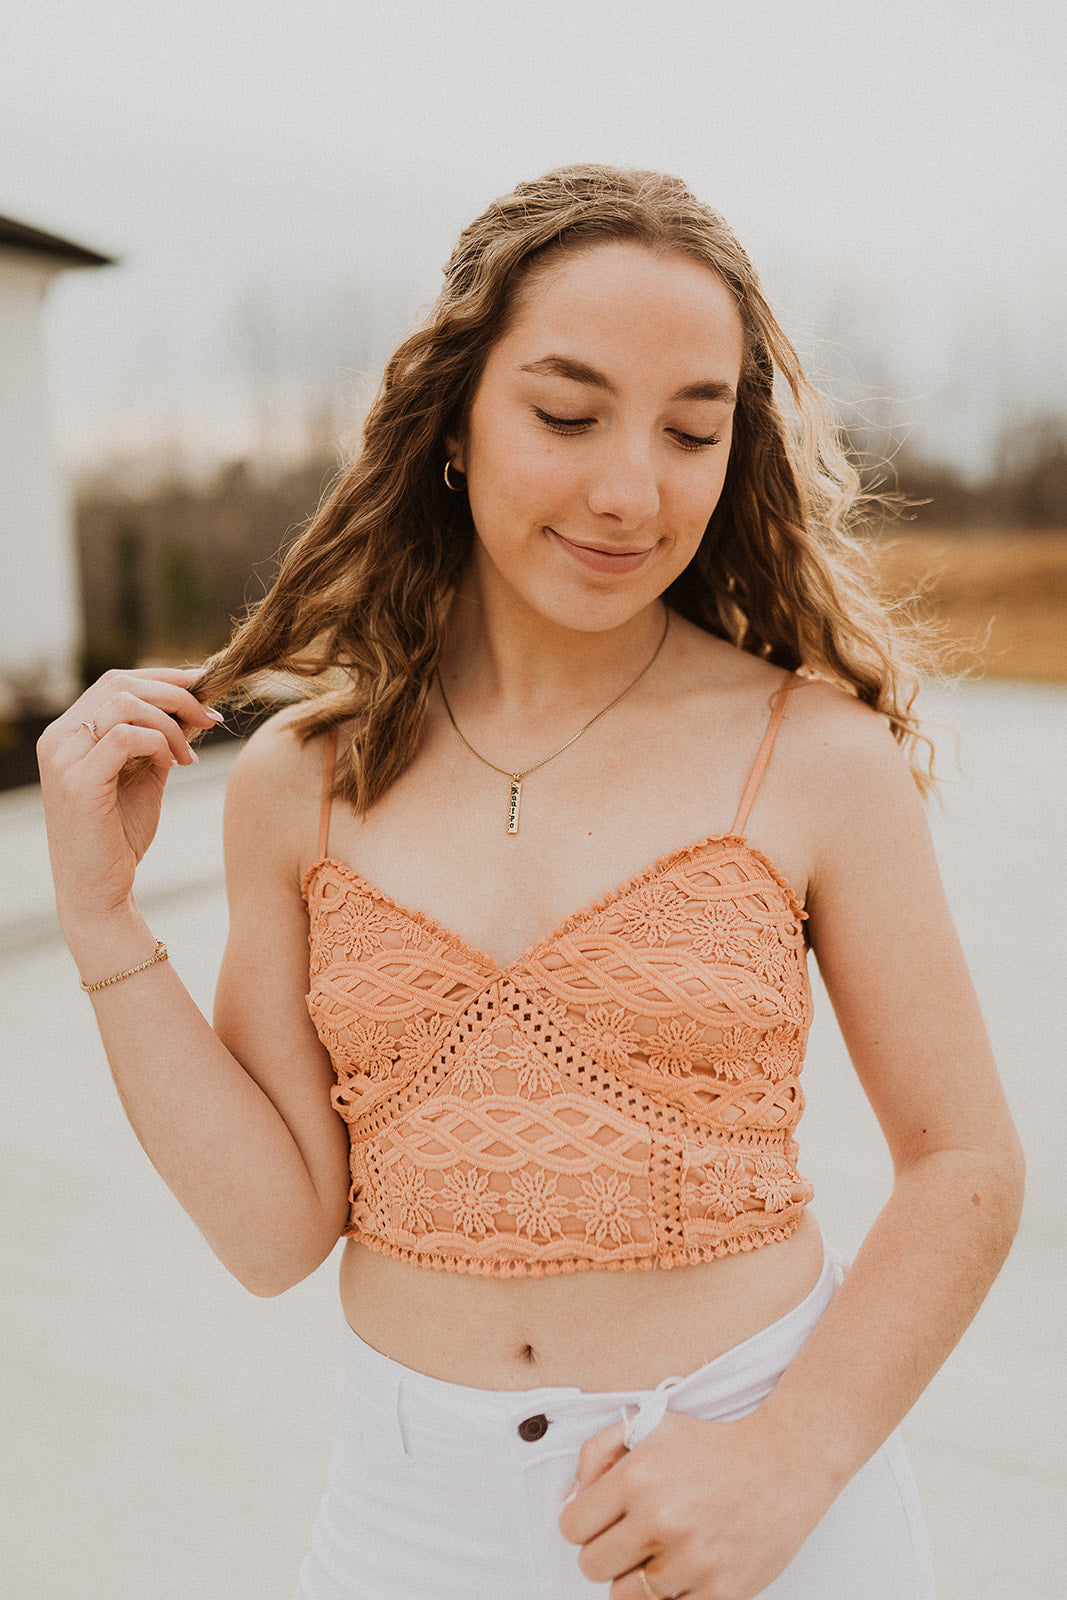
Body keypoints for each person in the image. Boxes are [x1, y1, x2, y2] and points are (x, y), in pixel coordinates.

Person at [37, 165, 1024, 1600]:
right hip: (409, 1526)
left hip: (755, 1507)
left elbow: (967, 1168)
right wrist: (99, 918)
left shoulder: (811, 756)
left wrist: (785, 1469)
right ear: (452, 423)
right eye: (568, 415)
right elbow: (273, 1230)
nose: (634, 489)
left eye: (695, 431)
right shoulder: (304, 778)